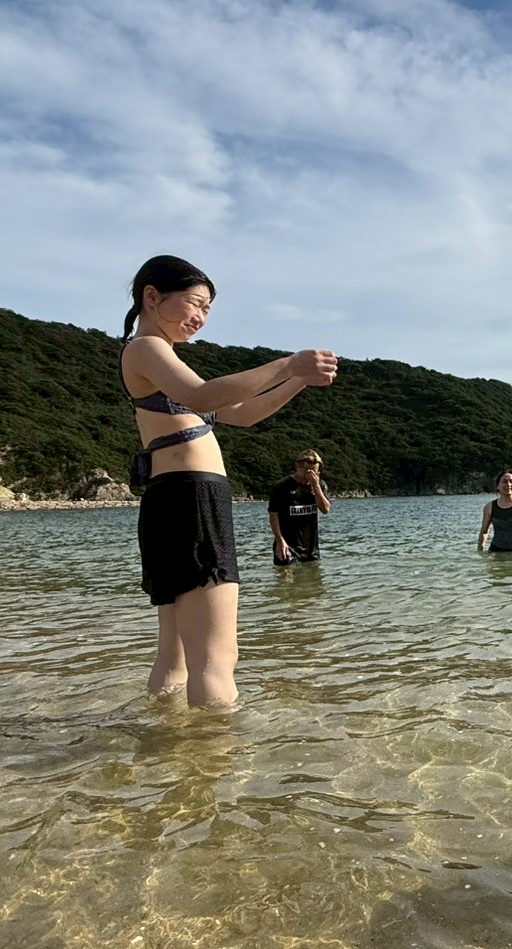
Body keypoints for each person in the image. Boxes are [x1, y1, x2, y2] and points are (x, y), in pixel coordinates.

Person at [119, 255, 339, 709]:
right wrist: (287, 363)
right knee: (217, 658)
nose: (200, 317)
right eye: (194, 303)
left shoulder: (156, 358)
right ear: (152, 297)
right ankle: (216, 750)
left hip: (171, 498)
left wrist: (297, 378)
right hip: (192, 496)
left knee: (176, 654)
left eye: (207, 309)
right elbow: (204, 395)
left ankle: (168, 740)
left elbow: (244, 413)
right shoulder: (147, 348)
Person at [269, 449, 331, 565]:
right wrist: (280, 541)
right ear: (297, 467)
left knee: (313, 576)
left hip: (311, 549)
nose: (311, 476)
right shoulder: (282, 487)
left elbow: (325, 509)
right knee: (285, 575)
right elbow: (273, 515)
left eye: (314, 472)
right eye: (308, 472)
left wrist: (316, 487)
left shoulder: (320, 485)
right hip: (287, 546)